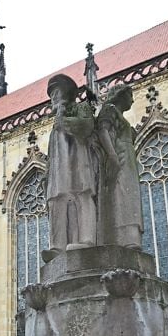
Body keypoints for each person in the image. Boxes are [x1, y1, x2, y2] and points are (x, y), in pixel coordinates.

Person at [44, 73, 99, 262]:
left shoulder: (80, 108)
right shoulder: (54, 123)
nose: (54, 98)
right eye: (52, 96)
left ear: (67, 94)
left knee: (82, 197)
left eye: (57, 93)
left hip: (78, 163)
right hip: (59, 171)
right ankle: (57, 246)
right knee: (55, 202)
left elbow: (87, 126)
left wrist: (65, 122)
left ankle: (87, 240)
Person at [96, 84, 144, 251]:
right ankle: (124, 238)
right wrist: (112, 156)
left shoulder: (119, 115)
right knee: (123, 196)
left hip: (128, 159)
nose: (132, 99)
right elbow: (103, 131)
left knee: (129, 197)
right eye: (129, 95)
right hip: (120, 158)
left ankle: (131, 239)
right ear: (120, 95)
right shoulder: (109, 109)